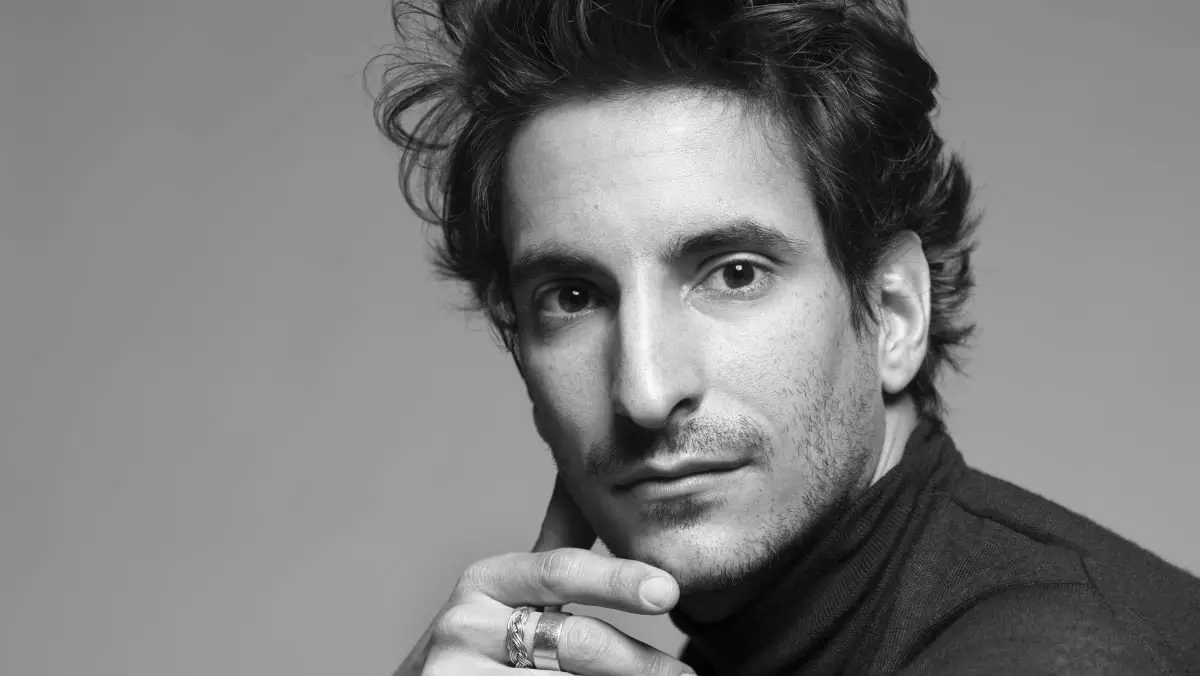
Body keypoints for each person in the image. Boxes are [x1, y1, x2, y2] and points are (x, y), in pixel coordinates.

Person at [373, 0, 1200, 674]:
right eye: (575, 297)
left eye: (735, 274)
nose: (645, 391)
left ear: (893, 312)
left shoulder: (1054, 651)